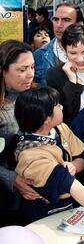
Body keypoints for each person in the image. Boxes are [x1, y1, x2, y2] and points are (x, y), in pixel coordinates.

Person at [14, 87, 84, 238]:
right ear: (46, 118)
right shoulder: (30, 155)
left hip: (70, 207)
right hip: (43, 215)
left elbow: (83, 156)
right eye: (57, 105)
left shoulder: (61, 129)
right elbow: (65, 180)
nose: (62, 106)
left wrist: (73, 166)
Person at [0, 40, 39, 227]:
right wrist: (12, 180)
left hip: (38, 196)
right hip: (6, 202)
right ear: (3, 69)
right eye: (22, 69)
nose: (30, 74)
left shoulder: (38, 95)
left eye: (32, 67)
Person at [46, 23, 84, 126]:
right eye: (73, 53)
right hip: (71, 137)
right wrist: (72, 83)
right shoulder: (54, 75)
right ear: (65, 51)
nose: (80, 59)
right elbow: (63, 115)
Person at [34, 2, 84, 85]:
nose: (59, 25)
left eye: (66, 20)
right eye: (56, 19)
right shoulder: (39, 56)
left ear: (79, 24)